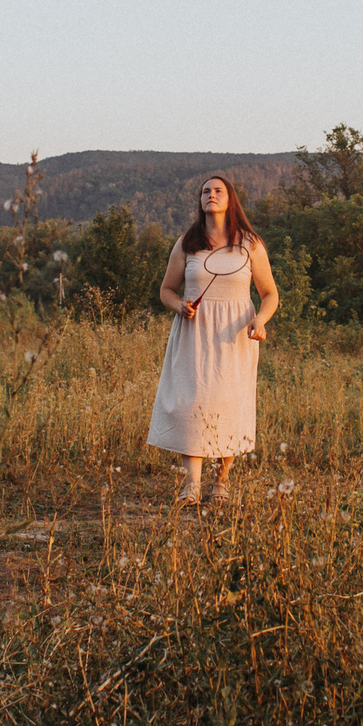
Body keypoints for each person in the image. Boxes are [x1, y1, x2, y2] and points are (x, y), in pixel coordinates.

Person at [147, 175, 280, 505]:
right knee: (192, 403)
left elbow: (270, 294)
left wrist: (259, 321)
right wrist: (180, 305)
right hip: (193, 332)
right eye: (206, 191)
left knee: (228, 404)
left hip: (234, 335)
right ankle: (191, 485)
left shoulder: (249, 244)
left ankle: (221, 483)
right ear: (200, 200)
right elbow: (166, 290)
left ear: (230, 199)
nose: (211, 195)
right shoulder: (187, 242)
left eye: (218, 191)